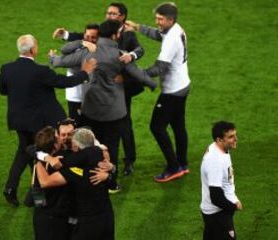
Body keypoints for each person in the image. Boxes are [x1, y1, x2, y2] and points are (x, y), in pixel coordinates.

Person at [50, 20, 157, 193]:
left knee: (89, 145)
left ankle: (90, 179)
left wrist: (52, 58)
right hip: (114, 113)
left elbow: (60, 61)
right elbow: (138, 74)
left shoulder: (86, 52)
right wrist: (151, 83)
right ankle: (111, 182)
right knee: (111, 148)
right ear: (115, 35)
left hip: (91, 110)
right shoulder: (120, 54)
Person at [0, 34, 96, 206]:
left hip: (18, 120)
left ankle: (10, 188)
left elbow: (3, 90)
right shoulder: (40, 71)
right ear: (33, 50)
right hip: (38, 122)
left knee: (24, 151)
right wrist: (85, 72)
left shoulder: (6, 68)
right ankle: (35, 196)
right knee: (40, 154)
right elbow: (64, 82)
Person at [126, 2, 191, 182]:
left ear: (170, 19)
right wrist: (138, 27)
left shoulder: (171, 39)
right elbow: (157, 34)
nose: (157, 22)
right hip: (183, 85)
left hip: (173, 91)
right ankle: (183, 163)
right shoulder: (176, 29)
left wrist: (137, 73)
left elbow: (159, 68)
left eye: (160, 19)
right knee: (178, 126)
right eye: (156, 18)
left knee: (156, 126)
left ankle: (173, 167)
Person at [36, 128, 114, 240]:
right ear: (54, 146)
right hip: (52, 218)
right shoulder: (53, 163)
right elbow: (40, 188)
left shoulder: (63, 160)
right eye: (60, 136)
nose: (65, 139)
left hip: (63, 217)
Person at [200, 121, 242, 240]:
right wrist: (233, 206)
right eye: (231, 137)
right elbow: (216, 196)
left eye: (235, 135)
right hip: (218, 214)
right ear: (219, 140)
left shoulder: (216, 147)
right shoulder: (216, 161)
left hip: (213, 213)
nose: (236, 139)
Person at [60, 24, 99, 125]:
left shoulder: (100, 51)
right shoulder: (78, 47)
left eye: (93, 37)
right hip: (75, 95)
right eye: (87, 36)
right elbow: (64, 50)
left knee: (93, 127)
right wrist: (81, 42)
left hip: (93, 96)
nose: (89, 40)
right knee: (76, 126)